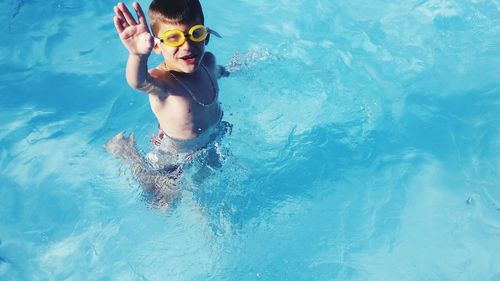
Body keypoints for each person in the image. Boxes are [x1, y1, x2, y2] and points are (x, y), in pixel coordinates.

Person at [106, 0, 231, 205]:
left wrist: (236, 68)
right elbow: (137, 82)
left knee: (208, 191)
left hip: (214, 136)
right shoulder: (163, 84)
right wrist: (137, 55)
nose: (187, 45)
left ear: (206, 36)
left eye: (195, 34)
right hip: (176, 154)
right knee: (162, 203)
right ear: (157, 45)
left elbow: (220, 72)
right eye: (174, 38)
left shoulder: (208, 63)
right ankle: (127, 154)